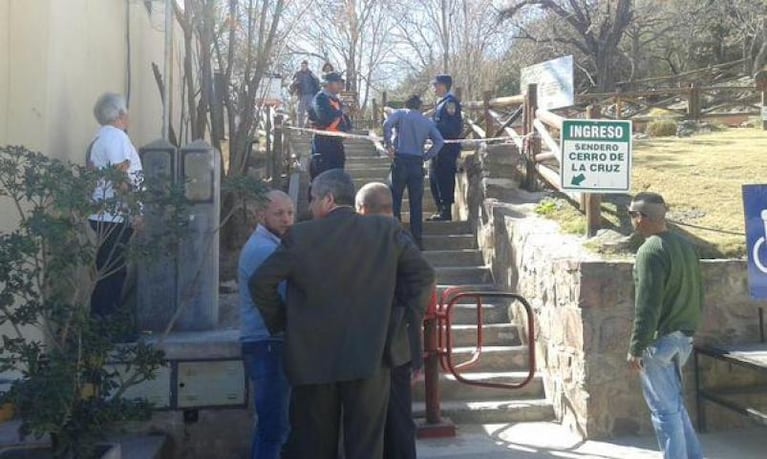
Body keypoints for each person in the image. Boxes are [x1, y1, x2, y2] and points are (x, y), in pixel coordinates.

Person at [249, 170, 435, 459]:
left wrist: (282, 323)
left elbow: (260, 283)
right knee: (366, 446)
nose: (309, 207)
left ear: (328, 199)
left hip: (313, 361)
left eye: (312, 199)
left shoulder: (301, 236)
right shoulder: (386, 231)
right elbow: (424, 277)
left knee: (315, 446)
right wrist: (399, 321)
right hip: (371, 358)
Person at [627, 192, 704, 459]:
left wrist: (636, 347)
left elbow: (647, 305)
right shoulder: (685, 246)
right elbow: (699, 293)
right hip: (683, 339)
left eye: (631, 215)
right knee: (676, 408)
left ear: (641, 218)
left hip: (658, 342)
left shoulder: (650, 250)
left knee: (664, 413)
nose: (632, 221)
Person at [355, 183, 425, 459]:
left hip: (371, 343)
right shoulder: (401, 237)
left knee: (374, 422)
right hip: (399, 343)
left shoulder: (367, 238)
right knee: (399, 417)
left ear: (362, 209)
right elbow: (420, 282)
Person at [240, 190, 295, 459]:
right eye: (279, 213)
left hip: (265, 343)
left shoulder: (273, 245)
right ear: (262, 215)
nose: (286, 219)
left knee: (272, 427)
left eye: (290, 213)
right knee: (274, 428)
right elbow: (288, 296)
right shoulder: (265, 250)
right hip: (267, 344)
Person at [88, 92, 143, 319]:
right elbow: (121, 178)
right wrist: (136, 213)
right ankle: (106, 324)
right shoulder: (116, 137)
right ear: (120, 113)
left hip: (105, 215)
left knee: (109, 269)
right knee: (113, 272)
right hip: (115, 217)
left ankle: (102, 322)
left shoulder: (101, 138)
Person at [383, 95, 444, 248]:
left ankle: (395, 237)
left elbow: (387, 123)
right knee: (416, 203)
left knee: (395, 200)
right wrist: (426, 156)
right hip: (416, 163)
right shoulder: (426, 122)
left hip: (400, 160)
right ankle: (417, 239)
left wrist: (388, 144)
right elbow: (439, 141)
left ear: (406, 104)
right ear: (419, 106)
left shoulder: (401, 114)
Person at [429, 74, 463, 221]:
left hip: (447, 149)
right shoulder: (441, 103)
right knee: (434, 178)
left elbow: (453, 127)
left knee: (444, 178)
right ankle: (440, 209)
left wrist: (433, 127)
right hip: (438, 147)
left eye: (436, 85)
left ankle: (446, 211)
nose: (434, 88)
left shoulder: (450, 103)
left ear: (443, 86)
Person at [309, 72, 352, 180]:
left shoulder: (336, 100)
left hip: (337, 144)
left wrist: (348, 128)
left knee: (338, 178)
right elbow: (325, 117)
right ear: (329, 84)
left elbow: (344, 118)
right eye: (338, 83)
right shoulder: (320, 99)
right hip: (323, 145)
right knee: (322, 179)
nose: (340, 86)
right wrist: (341, 112)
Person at [291, 60, 320, 128]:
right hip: (301, 95)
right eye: (302, 65)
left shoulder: (311, 73)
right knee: (300, 112)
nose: (303, 67)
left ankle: (309, 127)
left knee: (311, 112)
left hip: (310, 95)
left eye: (305, 65)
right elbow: (292, 83)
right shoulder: (297, 74)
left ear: (307, 66)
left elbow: (317, 81)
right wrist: (295, 83)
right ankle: (300, 128)